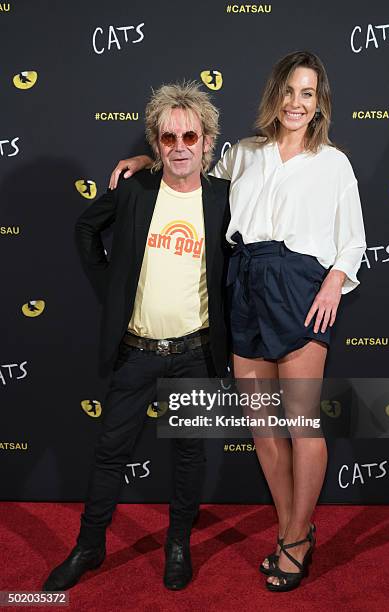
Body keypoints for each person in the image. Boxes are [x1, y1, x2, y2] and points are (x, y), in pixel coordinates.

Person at [109, 51, 366, 592]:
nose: (297, 103)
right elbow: (191, 176)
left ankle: (295, 540)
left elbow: (354, 239)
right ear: (274, 95)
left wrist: (332, 283)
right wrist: (144, 166)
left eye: (308, 93)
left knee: (302, 424)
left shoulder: (334, 163)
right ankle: (292, 529)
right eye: (290, 91)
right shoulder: (243, 154)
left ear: (319, 103)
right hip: (243, 284)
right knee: (262, 425)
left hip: (301, 288)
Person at [43, 82, 230, 592]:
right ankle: (89, 546)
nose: (180, 146)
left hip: (195, 353)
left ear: (208, 141)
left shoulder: (225, 200)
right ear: (156, 144)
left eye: (190, 135)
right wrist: (113, 291)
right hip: (136, 351)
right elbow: (86, 229)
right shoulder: (135, 190)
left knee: (190, 454)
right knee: (109, 452)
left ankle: (177, 543)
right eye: (168, 139)